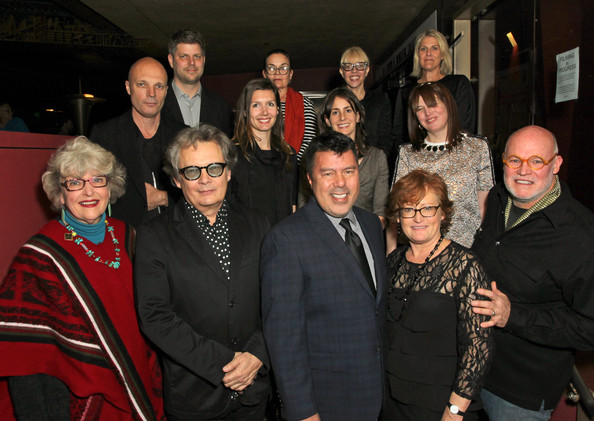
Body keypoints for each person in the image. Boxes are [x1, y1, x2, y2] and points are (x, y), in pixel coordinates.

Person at [0, 136, 164, 420]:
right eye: (75, 182)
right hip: (82, 399)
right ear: (60, 194)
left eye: (97, 180)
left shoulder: (129, 235)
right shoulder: (38, 257)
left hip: (140, 376)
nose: (88, 191)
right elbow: (26, 359)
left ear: (110, 187)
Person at [134, 125, 271, 420]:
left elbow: (277, 300)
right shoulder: (153, 236)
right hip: (195, 398)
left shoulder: (259, 224)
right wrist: (227, 364)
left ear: (229, 172)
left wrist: (257, 355)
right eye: (192, 171)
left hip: (255, 392)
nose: (205, 179)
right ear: (176, 179)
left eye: (214, 168)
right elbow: (155, 317)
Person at [470, 125, 594, 421]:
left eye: (536, 161)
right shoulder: (500, 196)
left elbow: (590, 327)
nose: (523, 170)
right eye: (514, 160)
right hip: (471, 367)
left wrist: (514, 316)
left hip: (519, 392)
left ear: (556, 165)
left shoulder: (580, 236)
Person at [261, 131, 386, 421]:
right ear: (310, 179)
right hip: (327, 404)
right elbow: (284, 341)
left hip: (376, 396)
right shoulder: (285, 240)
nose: (340, 183)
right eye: (328, 173)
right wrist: (304, 412)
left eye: (348, 171)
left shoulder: (371, 225)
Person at [383, 169, 492, 421]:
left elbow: (478, 347)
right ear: (398, 217)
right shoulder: (393, 261)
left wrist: (454, 411)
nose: (417, 217)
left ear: (443, 213)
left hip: (441, 407)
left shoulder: (465, 265)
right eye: (408, 209)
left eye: (427, 208)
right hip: (392, 403)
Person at [392, 81, 493, 248]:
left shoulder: (478, 147)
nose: (427, 113)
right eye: (419, 109)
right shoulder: (407, 154)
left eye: (433, 104)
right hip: (422, 252)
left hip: (469, 250)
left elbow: (485, 209)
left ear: (448, 105)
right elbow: (398, 212)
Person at [91, 57, 186, 228]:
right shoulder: (104, 135)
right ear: (128, 87)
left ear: (166, 90)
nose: (151, 93)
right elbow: (93, 194)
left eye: (158, 86)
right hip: (126, 238)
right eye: (142, 84)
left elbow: (199, 190)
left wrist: (164, 198)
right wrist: (140, 200)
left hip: (176, 238)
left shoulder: (184, 135)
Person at [228, 79, 297, 226]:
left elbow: (293, 207)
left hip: (282, 241)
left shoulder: (289, 155)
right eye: (256, 105)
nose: (264, 112)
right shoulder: (231, 154)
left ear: (278, 110)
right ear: (245, 111)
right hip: (247, 242)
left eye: (270, 104)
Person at [393, 29, 476, 149]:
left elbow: (466, 126)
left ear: (443, 54)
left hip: (454, 155)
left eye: (434, 48)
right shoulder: (406, 92)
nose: (428, 53)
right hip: (417, 158)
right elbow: (399, 134)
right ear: (417, 55)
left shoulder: (458, 84)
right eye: (423, 49)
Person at [319, 87, 389, 226]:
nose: (342, 117)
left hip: (364, 237)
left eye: (348, 110)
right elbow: (306, 208)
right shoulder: (317, 159)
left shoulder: (376, 158)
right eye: (335, 112)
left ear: (358, 116)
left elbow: (380, 215)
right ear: (327, 120)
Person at [163, 29, 232, 136]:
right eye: (184, 56)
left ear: (203, 60)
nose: (191, 62)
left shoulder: (221, 107)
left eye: (197, 56)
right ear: (171, 60)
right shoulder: (157, 102)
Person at [262, 48, 318, 162]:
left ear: (290, 74)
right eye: (272, 68)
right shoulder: (255, 104)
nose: (277, 73)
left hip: (296, 168)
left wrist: (290, 166)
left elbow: (309, 141)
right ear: (265, 74)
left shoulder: (304, 103)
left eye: (283, 68)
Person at [339, 46, 393, 161]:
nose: (354, 71)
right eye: (348, 66)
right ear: (341, 72)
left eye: (360, 66)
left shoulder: (381, 100)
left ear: (367, 70)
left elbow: (386, 140)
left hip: (373, 167)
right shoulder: (334, 102)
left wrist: (373, 165)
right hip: (341, 166)